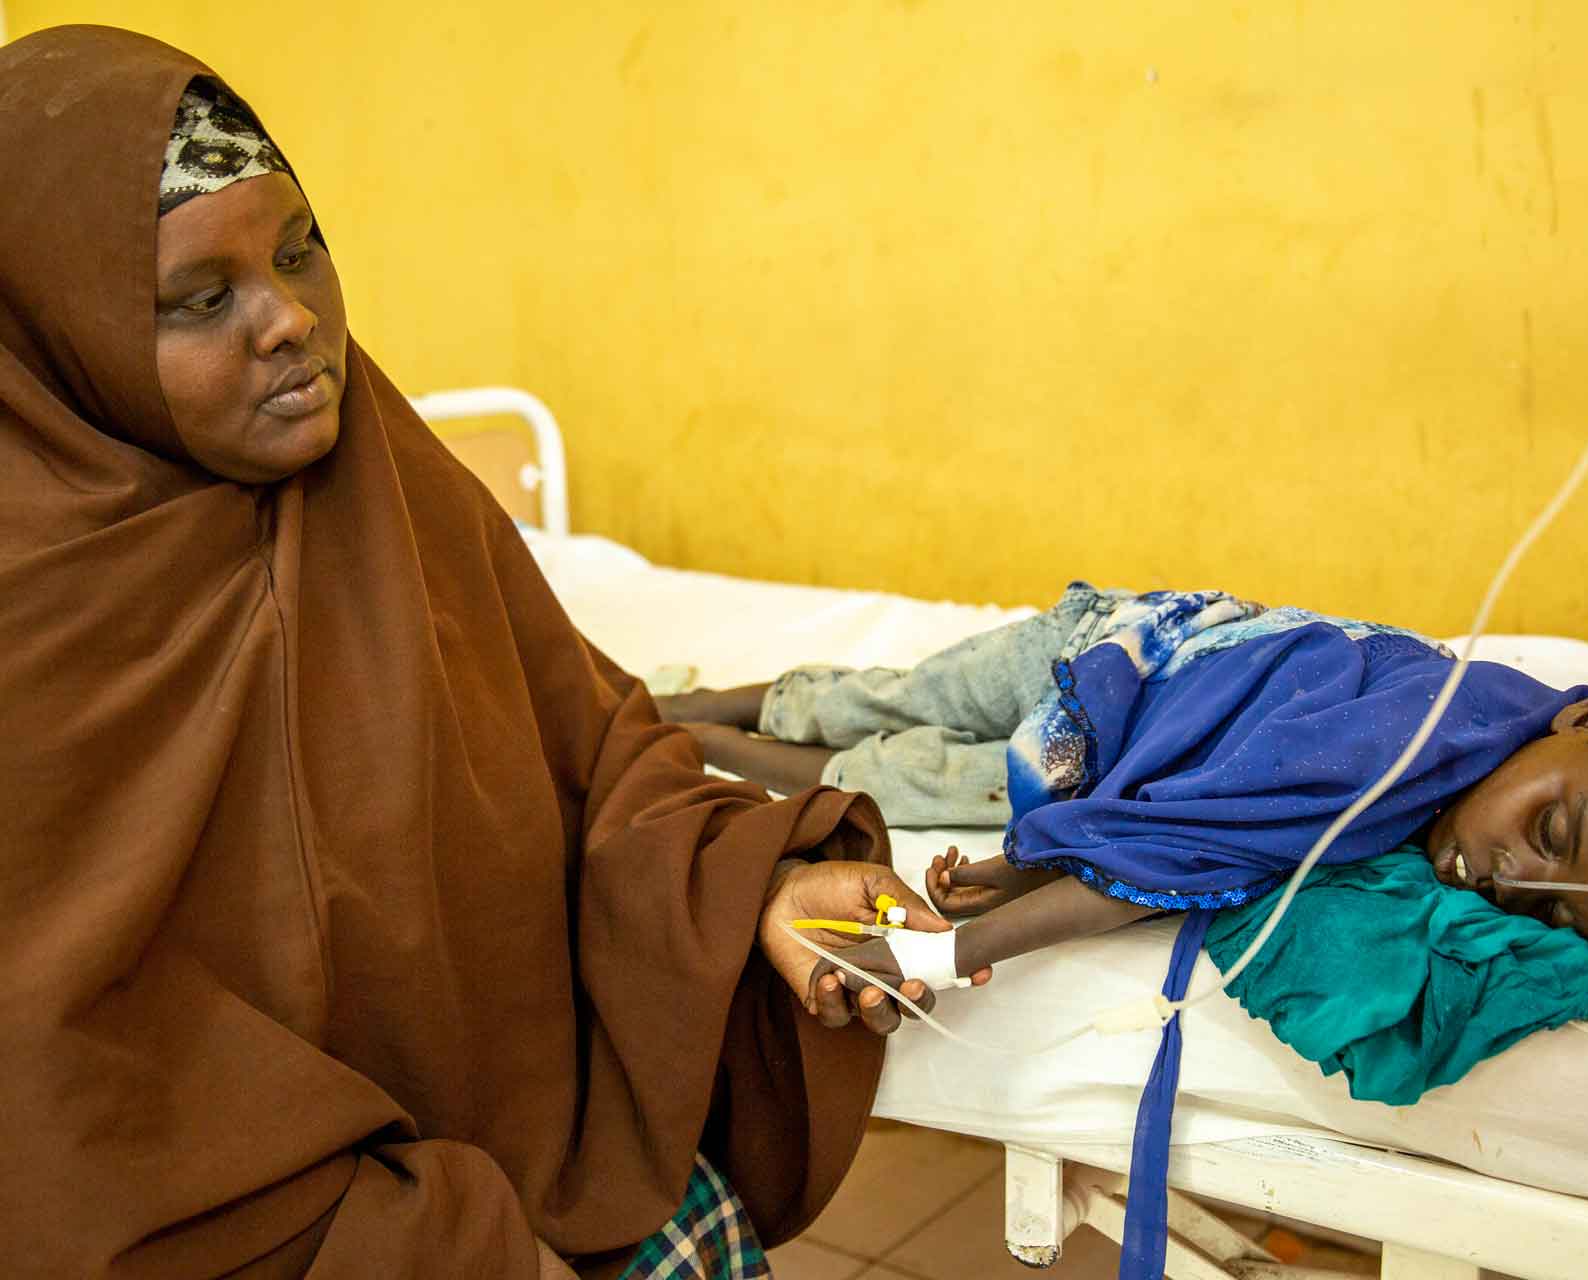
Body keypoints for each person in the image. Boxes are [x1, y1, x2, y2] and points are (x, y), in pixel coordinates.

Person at [0, 26, 985, 1278]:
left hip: (512, 1136)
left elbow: (593, 742)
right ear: (59, 336)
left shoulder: (380, 477)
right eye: (205, 299)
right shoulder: (30, 619)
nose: (293, 319)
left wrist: (756, 890)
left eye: (300, 248)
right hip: (246, 1221)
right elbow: (54, 1097)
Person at [663, 582, 1588, 994]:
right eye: (1554, 828)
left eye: (1553, 906)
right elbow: (1161, 869)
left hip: (1123, 678)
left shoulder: (1499, 734)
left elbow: (1180, 835)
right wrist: (937, 956)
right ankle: (677, 707)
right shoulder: (1407, 747)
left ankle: (688, 732)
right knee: (885, 693)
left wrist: (1028, 857)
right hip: (1102, 654)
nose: (1510, 872)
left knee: (885, 763)